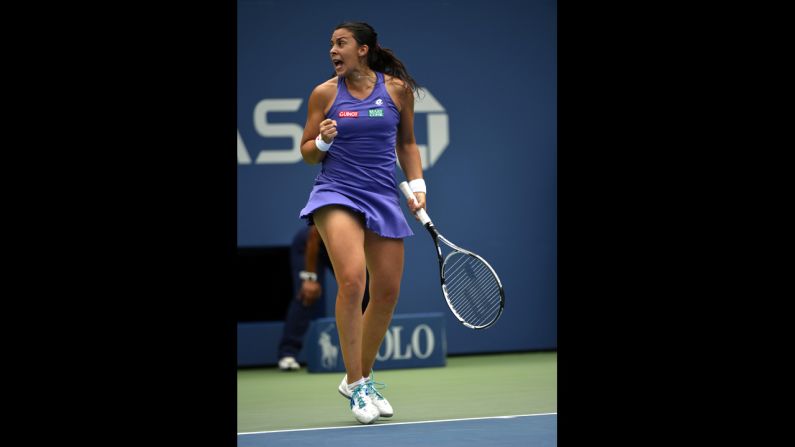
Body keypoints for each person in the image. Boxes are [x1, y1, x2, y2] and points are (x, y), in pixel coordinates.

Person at [298, 21, 426, 425]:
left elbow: (406, 143)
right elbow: (306, 153)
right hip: (336, 193)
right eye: (331, 45)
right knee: (353, 280)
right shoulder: (323, 94)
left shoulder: (396, 90)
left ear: (364, 49)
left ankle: (363, 376)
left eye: (341, 44)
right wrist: (322, 141)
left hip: (381, 195)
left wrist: (418, 184)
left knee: (386, 293)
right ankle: (355, 383)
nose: (333, 51)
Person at [277, 225, 369, 371]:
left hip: (342, 246)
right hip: (312, 243)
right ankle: (288, 353)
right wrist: (310, 278)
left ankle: (365, 352)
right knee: (307, 295)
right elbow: (314, 236)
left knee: (363, 291)